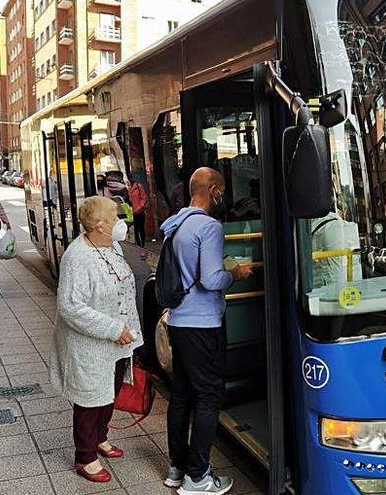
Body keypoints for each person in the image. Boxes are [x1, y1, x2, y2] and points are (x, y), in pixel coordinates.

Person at [160, 167, 253, 495]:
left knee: (182, 395)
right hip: (203, 324)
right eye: (221, 190)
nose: (222, 196)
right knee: (209, 397)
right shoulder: (209, 227)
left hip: (179, 322)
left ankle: (177, 467)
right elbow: (211, 279)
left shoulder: (178, 223)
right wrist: (236, 274)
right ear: (212, 189)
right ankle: (197, 476)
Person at [49, 196, 142, 483]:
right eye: (115, 216)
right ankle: (85, 456)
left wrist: (126, 330)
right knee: (90, 400)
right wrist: (113, 328)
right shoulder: (77, 257)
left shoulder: (110, 245)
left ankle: (101, 438)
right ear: (100, 225)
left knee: (109, 392)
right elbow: (70, 307)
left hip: (116, 342)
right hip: (89, 345)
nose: (120, 221)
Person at [128, 173, 149, 246]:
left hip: (140, 211)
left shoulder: (138, 186)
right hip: (134, 211)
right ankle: (139, 245)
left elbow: (144, 197)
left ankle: (142, 244)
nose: (131, 179)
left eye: (132, 178)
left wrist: (140, 206)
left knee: (141, 229)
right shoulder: (130, 188)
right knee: (136, 229)